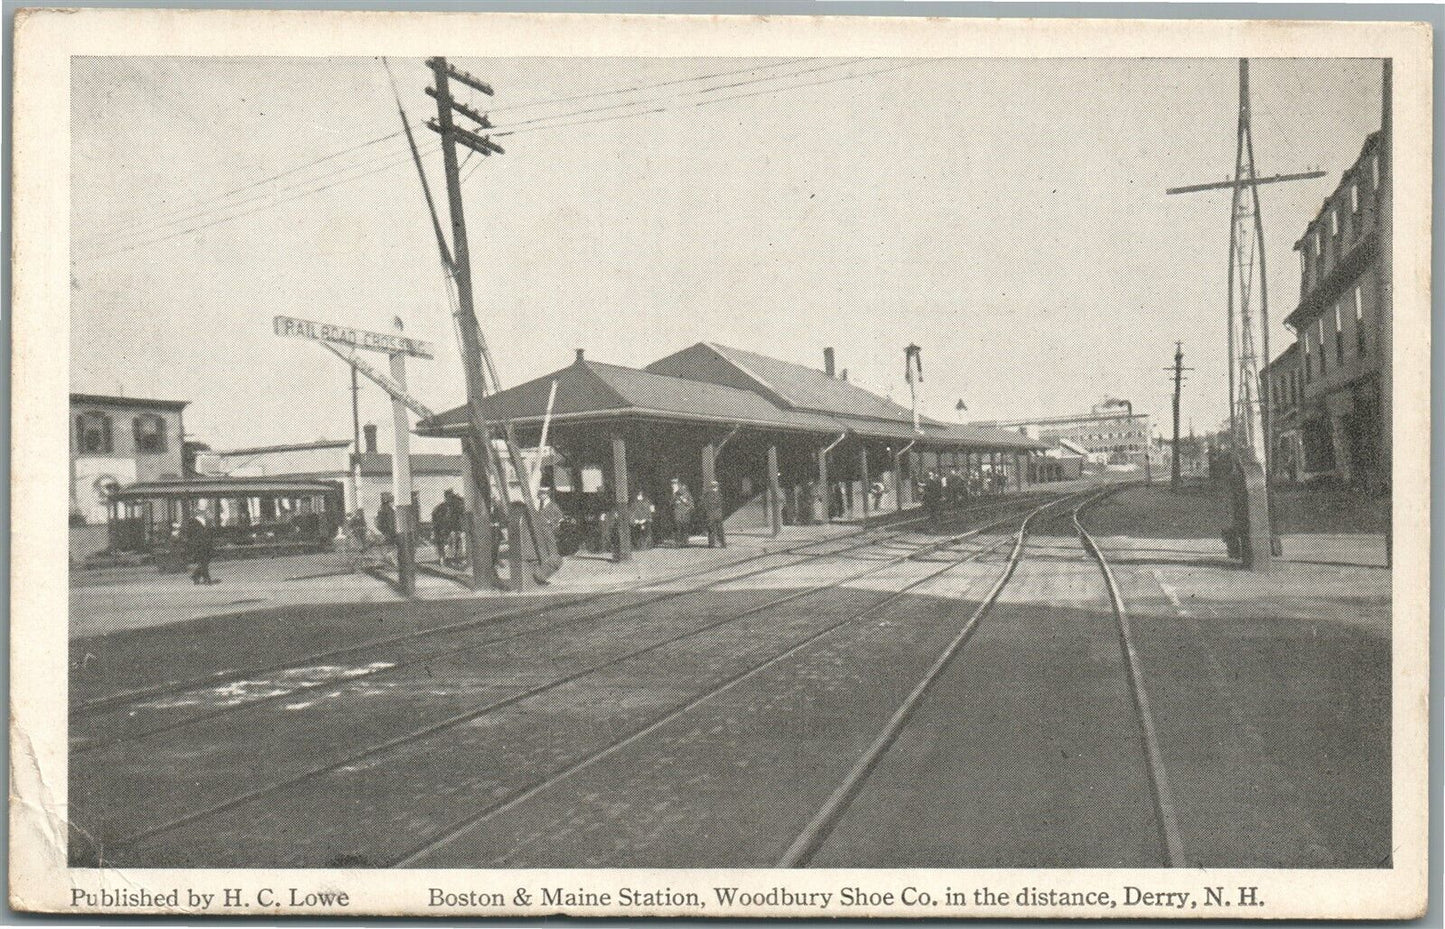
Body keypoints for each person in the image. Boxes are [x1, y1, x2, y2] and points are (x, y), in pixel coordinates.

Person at [185, 511, 216, 585]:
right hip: (198, 545)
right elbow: (191, 535)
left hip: (205, 545)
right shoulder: (193, 522)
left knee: (204, 562)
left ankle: (195, 576)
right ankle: (207, 579)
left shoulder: (205, 522)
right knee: (204, 562)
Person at [701, 480, 726, 548]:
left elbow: (704, 504)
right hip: (718, 514)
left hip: (710, 515)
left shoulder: (707, 495)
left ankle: (711, 544)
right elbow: (722, 504)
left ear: (711, 487)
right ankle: (723, 544)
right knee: (720, 529)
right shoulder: (719, 494)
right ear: (717, 487)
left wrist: (707, 512)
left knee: (711, 530)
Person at [670, 478, 695, 547]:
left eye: (674, 484)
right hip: (677, 513)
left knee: (685, 528)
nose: (673, 486)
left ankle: (685, 543)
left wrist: (684, 500)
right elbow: (671, 504)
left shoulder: (686, 493)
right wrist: (674, 495)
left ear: (678, 485)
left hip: (685, 513)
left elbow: (691, 504)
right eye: (672, 484)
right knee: (677, 528)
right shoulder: (673, 494)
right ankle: (677, 543)